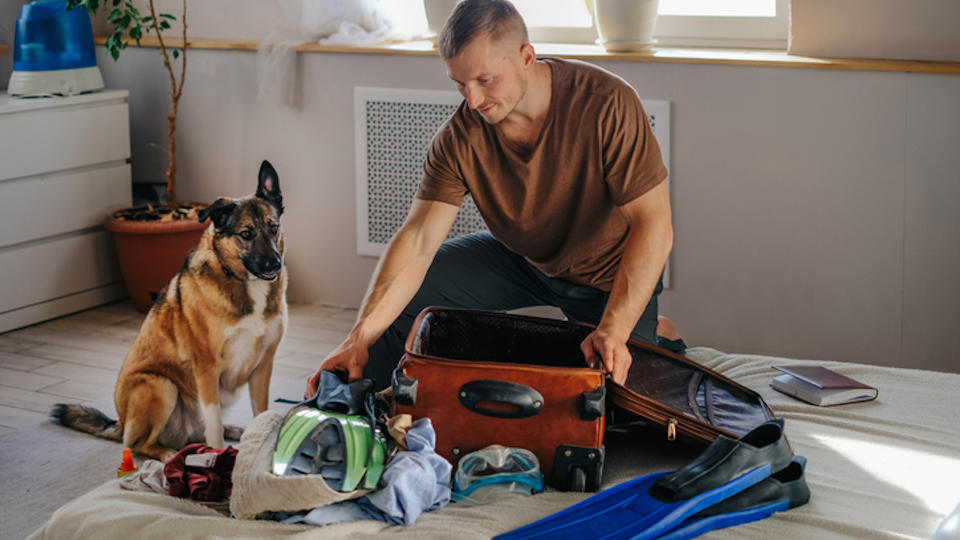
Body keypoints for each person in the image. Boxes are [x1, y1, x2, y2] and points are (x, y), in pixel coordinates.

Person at [307, 0, 674, 396]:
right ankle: (360, 403)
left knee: (614, 395)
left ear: (527, 57)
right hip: (523, 260)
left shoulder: (607, 103)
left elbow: (654, 224)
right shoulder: (459, 137)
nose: (473, 99)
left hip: (605, 273)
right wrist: (357, 338)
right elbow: (418, 240)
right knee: (400, 298)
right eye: (460, 83)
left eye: (485, 80)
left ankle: (661, 337)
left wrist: (615, 330)